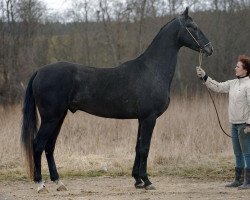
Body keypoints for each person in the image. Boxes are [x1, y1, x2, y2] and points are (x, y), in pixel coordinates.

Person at [196, 55, 250, 189]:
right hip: (234, 123)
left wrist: (249, 124)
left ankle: (248, 182)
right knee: (237, 153)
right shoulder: (233, 83)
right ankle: (238, 179)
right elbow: (218, 87)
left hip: (245, 125)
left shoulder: (249, 85)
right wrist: (205, 77)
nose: (235, 68)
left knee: (247, 153)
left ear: (245, 70)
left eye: (238, 66)